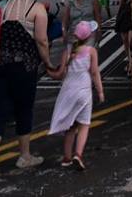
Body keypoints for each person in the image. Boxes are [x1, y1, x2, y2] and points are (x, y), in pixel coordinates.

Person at [0, 0, 52, 173]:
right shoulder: (36, 8)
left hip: (1, 64)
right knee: (24, 109)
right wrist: (47, 62)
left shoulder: (1, 7)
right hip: (25, 66)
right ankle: (24, 155)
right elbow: (41, 40)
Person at [50, 20, 104, 171]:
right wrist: (100, 91)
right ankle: (78, 154)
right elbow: (94, 72)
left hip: (68, 90)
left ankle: (66, 157)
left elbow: (60, 73)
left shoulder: (68, 52)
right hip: (84, 90)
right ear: (89, 36)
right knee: (84, 124)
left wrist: (48, 70)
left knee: (70, 126)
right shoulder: (91, 51)